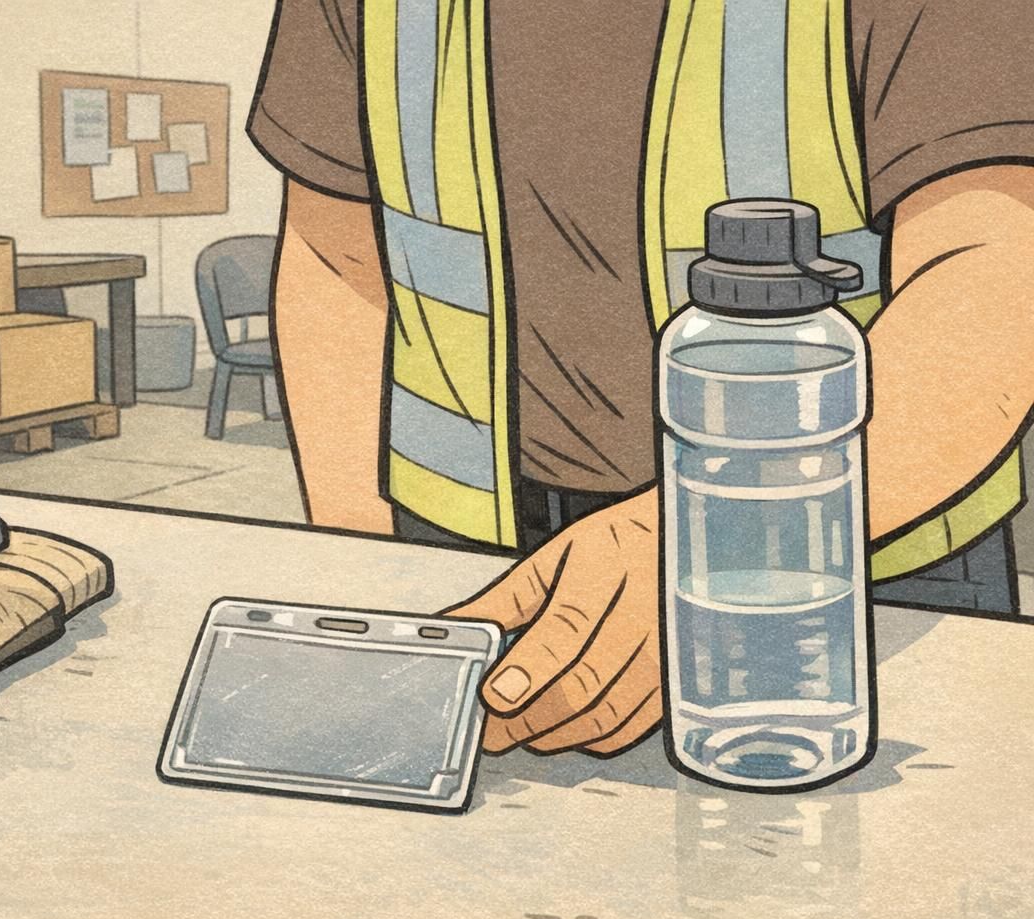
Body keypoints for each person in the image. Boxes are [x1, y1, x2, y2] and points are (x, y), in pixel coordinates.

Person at [248, 2, 1034, 757]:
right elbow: (338, 256)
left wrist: (712, 546)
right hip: (468, 557)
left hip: (845, 569)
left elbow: (997, 272)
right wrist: (355, 570)